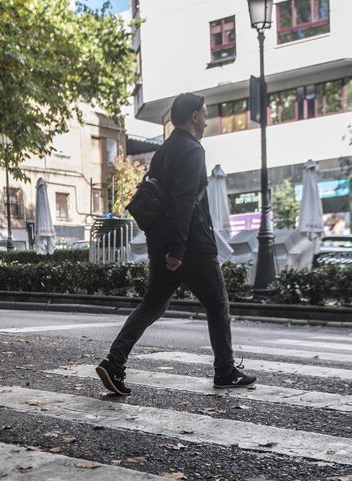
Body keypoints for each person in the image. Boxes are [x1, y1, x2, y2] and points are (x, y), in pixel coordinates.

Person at [95, 93, 255, 396]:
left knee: (152, 304)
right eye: (205, 114)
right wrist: (177, 251)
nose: (206, 120)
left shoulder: (163, 151)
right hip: (190, 244)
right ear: (194, 116)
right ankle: (225, 370)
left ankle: (114, 362)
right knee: (218, 303)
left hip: (161, 240)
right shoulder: (193, 150)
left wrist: (168, 247)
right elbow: (184, 201)